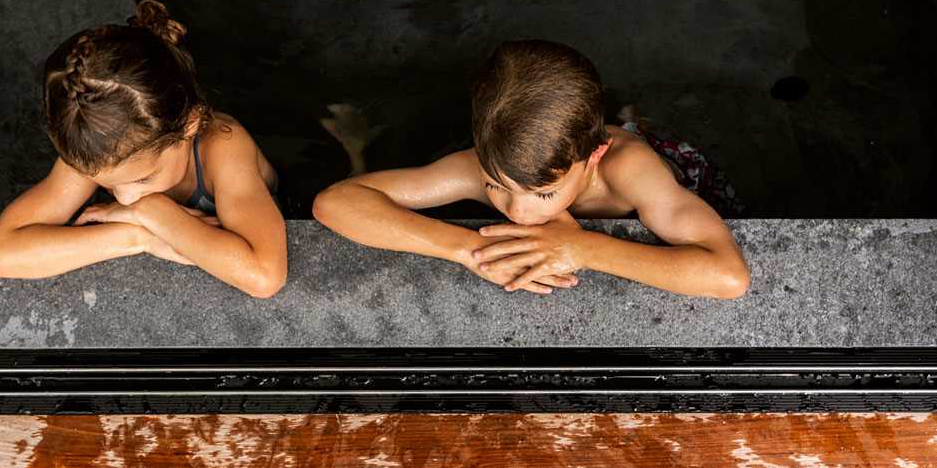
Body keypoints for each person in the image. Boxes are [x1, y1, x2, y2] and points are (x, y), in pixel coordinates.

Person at [311, 39, 749, 299]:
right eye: (495, 186)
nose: (517, 212)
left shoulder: (628, 169)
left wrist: (582, 249)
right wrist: (467, 251)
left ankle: (629, 116)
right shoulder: (478, 165)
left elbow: (728, 275)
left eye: (542, 194)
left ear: (593, 157)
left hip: (666, 168)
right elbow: (336, 203)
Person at [0, 0, 287, 298]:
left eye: (143, 179)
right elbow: (3, 253)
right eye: (107, 185)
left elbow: (264, 275)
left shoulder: (224, 146)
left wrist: (152, 210)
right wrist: (137, 236)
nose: (124, 198)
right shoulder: (99, 149)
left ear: (188, 128)